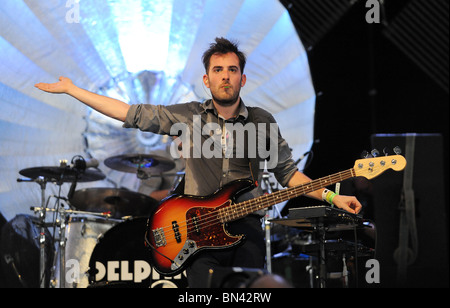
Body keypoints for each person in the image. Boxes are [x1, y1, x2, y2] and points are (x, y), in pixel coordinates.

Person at [35, 37, 362, 288]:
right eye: (218, 70)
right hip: (195, 235)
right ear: (207, 80)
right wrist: (73, 89)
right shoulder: (187, 116)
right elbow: (129, 112)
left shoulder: (261, 122)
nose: (225, 77)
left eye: (232, 70)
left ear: (242, 79)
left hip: (245, 230)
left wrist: (334, 197)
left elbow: (290, 175)